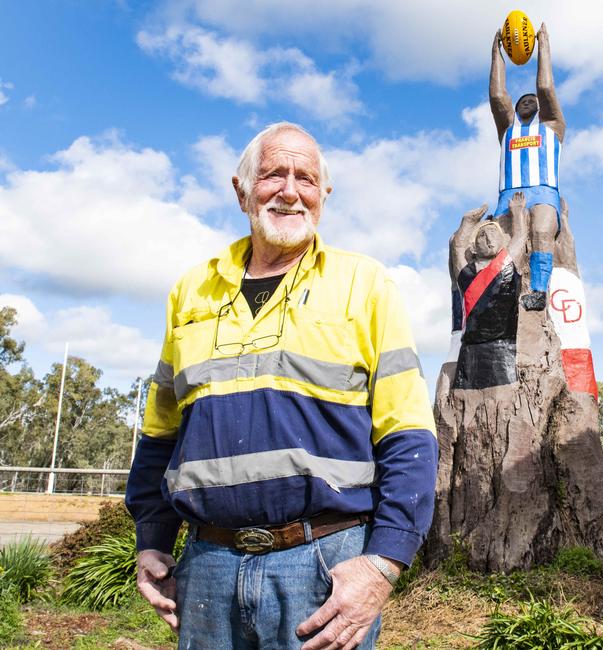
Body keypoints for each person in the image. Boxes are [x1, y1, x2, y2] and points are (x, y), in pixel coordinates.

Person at [125, 122, 438, 649]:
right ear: (241, 189)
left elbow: (407, 432)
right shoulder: (190, 290)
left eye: (306, 179)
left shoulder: (366, 285)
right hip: (207, 567)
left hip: (322, 565)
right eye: (273, 174)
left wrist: (383, 563)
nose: (290, 191)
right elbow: (161, 432)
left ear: (324, 196)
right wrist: (151, 539)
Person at [490, 22, 566, 311]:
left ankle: (538, 291)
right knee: (501, 240)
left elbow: (545, 86)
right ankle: (500, 291)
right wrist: (496, 53)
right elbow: (498, 96)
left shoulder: (552, 127)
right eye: (522, 100)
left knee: (542, 231)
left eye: (532, 100)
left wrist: (543, 47)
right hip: (509, 192)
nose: (527, 101)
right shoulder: (508, 129)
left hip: (543, 190)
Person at [450, 193, 527, 389]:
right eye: (483, 235)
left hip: (504, 350)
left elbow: (520, 237)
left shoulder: (507, 263)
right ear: (474, 248)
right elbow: (458, 248)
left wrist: (517, 212)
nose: (489, 238)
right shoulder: (466, 274)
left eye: (493, 233)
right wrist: (467, 223)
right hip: (470, 352)